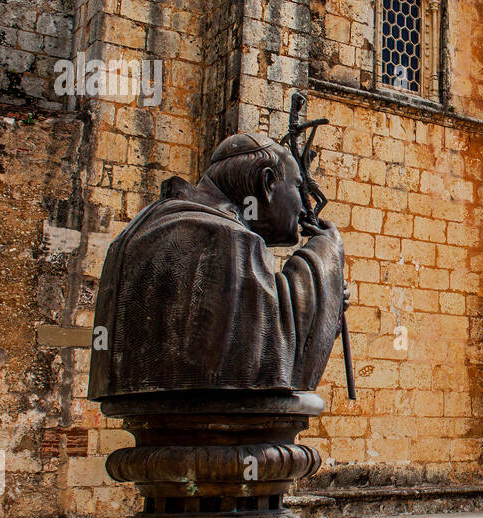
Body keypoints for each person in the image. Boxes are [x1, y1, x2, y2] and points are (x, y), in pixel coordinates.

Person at [89, 132, 347, 399]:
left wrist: (330, 304)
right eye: (295, 186)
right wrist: (327, 254)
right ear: (268, 182)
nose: (303, 208)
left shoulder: (145, 228)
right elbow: (277, 358)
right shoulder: (223, 238)